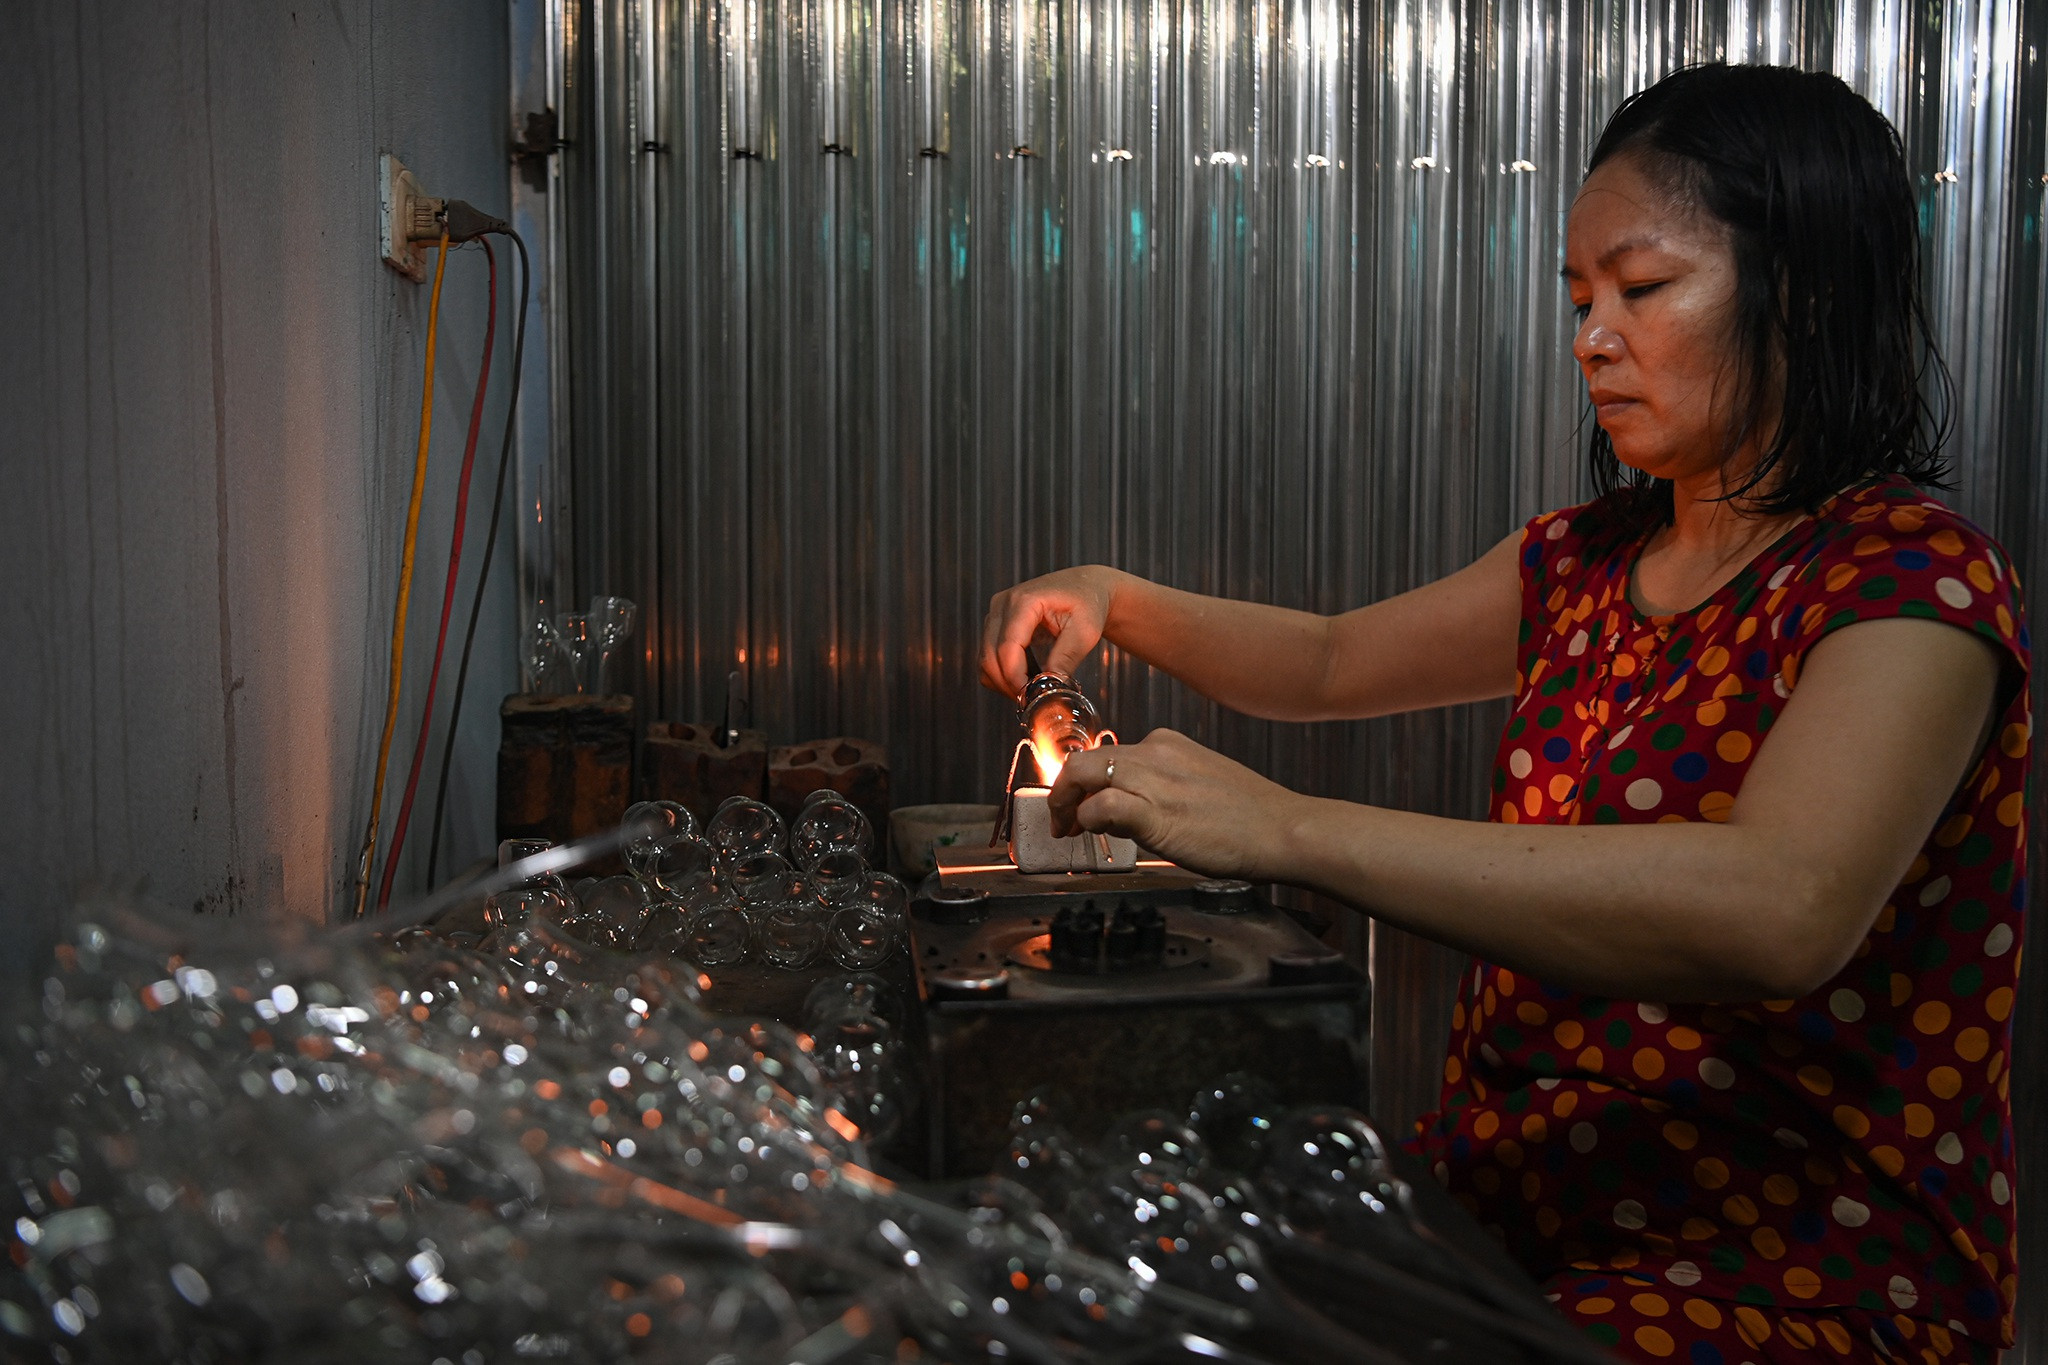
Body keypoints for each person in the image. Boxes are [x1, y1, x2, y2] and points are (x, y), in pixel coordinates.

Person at [978, 65, 2025, 1364]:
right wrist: (1116, 599)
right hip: (1513, 1199)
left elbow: (1781, 906)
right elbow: (1326, 661)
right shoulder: (1582, 563)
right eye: (1581, 299)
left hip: (1786, 1258)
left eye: (1642, 289)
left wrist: (1290, 828)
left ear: (1801, 293)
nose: (1592, 335)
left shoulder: (1911, 579)